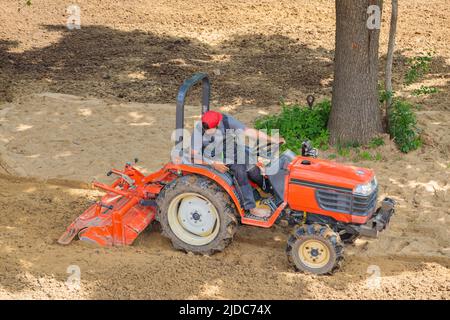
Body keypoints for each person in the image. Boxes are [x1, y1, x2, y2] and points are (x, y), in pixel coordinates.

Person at [190, 110, 284, 218]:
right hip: (213, 156)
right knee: (239, 169)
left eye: (212, 130)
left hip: (230, 149)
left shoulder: (226, 120)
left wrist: (272, 139)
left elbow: (249, 131)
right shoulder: (198, 130)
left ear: (218, 122)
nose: (208, 133)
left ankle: (269, 190)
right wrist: (213, 164)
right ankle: (251, 207)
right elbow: (193, 156)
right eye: (206, 130)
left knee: (252, 166)